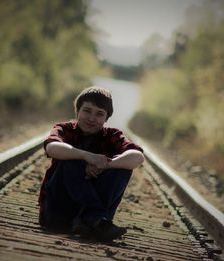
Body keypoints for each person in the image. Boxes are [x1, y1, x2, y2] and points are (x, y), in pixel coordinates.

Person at [38, 86, 144, 242]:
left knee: (122, 169)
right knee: (71, 159)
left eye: (99, 114)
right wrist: (86, 156)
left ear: (106, 119)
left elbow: (137, 157)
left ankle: (89, 220)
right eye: (87, 111)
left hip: (92, 226)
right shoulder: (65, 129)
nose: (92, 118)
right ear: (78, 111)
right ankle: (94, 217)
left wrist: (105, 164)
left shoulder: (112, 135)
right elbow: (52, 147)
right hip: (57, 214)